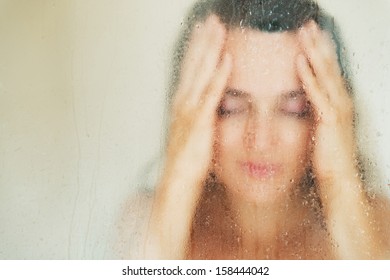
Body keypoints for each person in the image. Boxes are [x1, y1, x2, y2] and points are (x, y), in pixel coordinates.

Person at [119, 0, 390, 259]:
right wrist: (181, 171)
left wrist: (339, 178)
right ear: (190, 112)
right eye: (230, 107)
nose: (260, 141)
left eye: (294, 110)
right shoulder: (146, 218)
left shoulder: (379, 224)